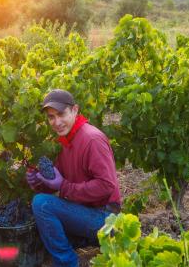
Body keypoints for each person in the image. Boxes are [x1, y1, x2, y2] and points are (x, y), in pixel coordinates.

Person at [26, 89, 121, 267]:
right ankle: (83, 241)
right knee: (42, 225)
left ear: (75, 110)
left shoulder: (92, 139)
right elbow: (58, 182)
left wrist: (63, 186)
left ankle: (67, 263)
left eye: (61, 114)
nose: (56, 122)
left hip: (106, 218)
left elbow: (106, 186)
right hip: (85, 211)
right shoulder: (67, 140)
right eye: (51, 117)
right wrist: (39, 183)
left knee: (42, 204)